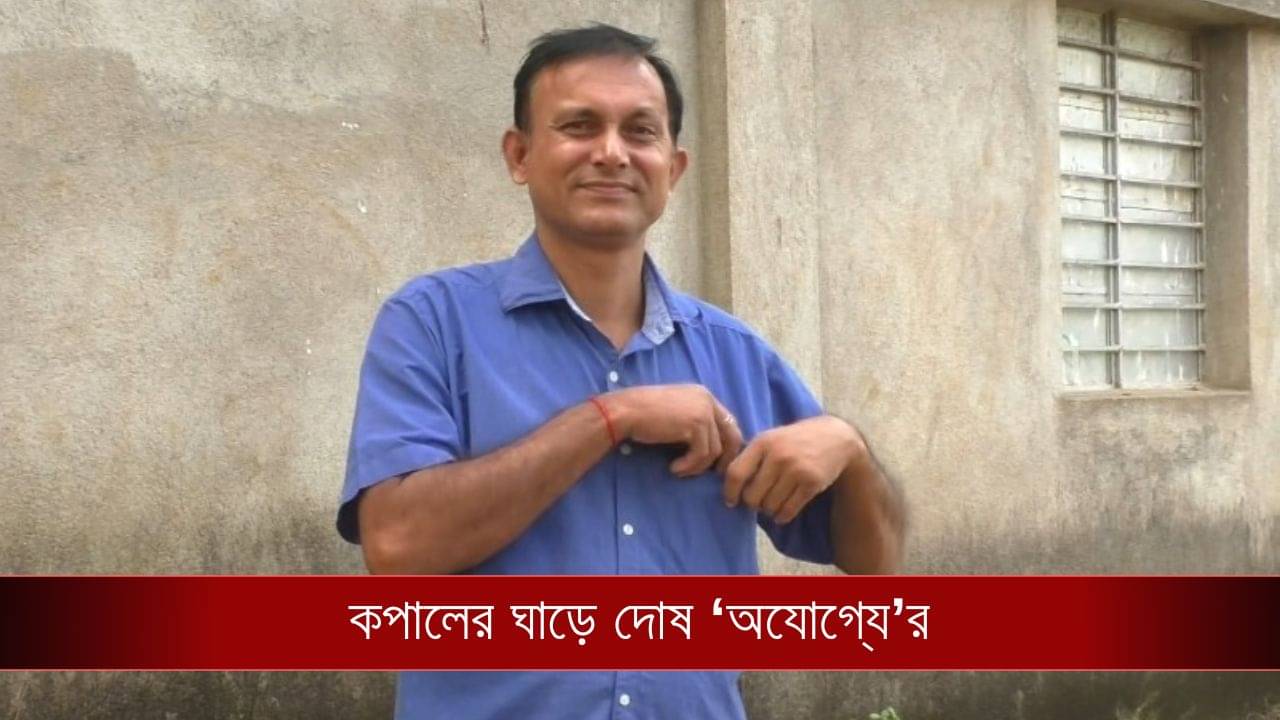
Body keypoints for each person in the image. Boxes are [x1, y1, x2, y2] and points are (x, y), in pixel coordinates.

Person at [337, 23, 906, 720]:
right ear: (519, 155)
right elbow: (397, 547)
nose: (611, 152)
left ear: (674, 167)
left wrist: (850, 449)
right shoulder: (433, 322)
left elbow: (876, 565)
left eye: (640, 131)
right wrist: (612, 417)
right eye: (579, 126)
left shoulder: (734, 354)